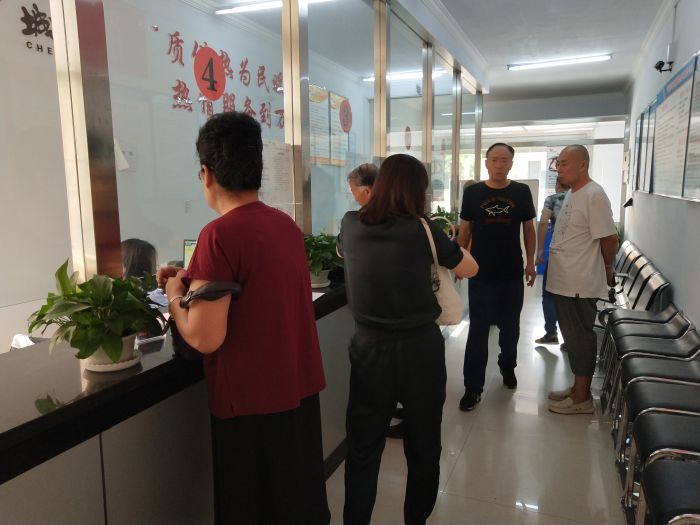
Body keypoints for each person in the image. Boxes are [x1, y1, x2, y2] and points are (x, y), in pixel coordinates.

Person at [158, 112, 330, 524]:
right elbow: (258, 288)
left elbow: (204, 337)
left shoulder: (219, 234)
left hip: (251, 404)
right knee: (296, 504)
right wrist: (191, 279)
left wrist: (174, 295)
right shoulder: (284, 225)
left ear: (206, 174)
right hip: (297, 391)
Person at [338, 154, 478, 525]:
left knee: (363, 448)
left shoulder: (351, 223)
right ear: (419, 190)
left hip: (369, 350)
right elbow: (470, 268)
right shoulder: (424, 229)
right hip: (420, 350)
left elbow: (342, 251)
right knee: (423, 446)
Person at [457, 143, 537, 411]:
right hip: (480, 273)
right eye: (494, 159)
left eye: (504, 160)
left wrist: (530, 262)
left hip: (511, 271)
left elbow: (529, 229)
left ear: (511, 164)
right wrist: (459, 262)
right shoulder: (473, 193)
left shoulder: (521, 192)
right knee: (478, 330)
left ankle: (507, 365)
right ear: (486, 162)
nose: (499, 165)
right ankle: (473, 387)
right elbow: (465, 230)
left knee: (510, 328)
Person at [546, 145, 617, 415]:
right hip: (565, 279)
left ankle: (582, 399)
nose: (559, 168)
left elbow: (609, 237)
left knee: (580, 338)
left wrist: (608, 267)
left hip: (579, 281)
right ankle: (578, 387)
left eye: (565, 163)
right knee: (572, 337)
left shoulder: (594, 194)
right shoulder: (573, 192)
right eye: (559, 163)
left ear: (583, 165)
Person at [534, 178, 570, 345]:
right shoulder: (582, 197)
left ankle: (551, 333)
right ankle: (571, 340)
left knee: (549, 294)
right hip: (580, 256)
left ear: (558, 185)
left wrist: (540, 250)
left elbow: (543, 223)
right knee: (571, 297)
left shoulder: (553, 199)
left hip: (558, 254)